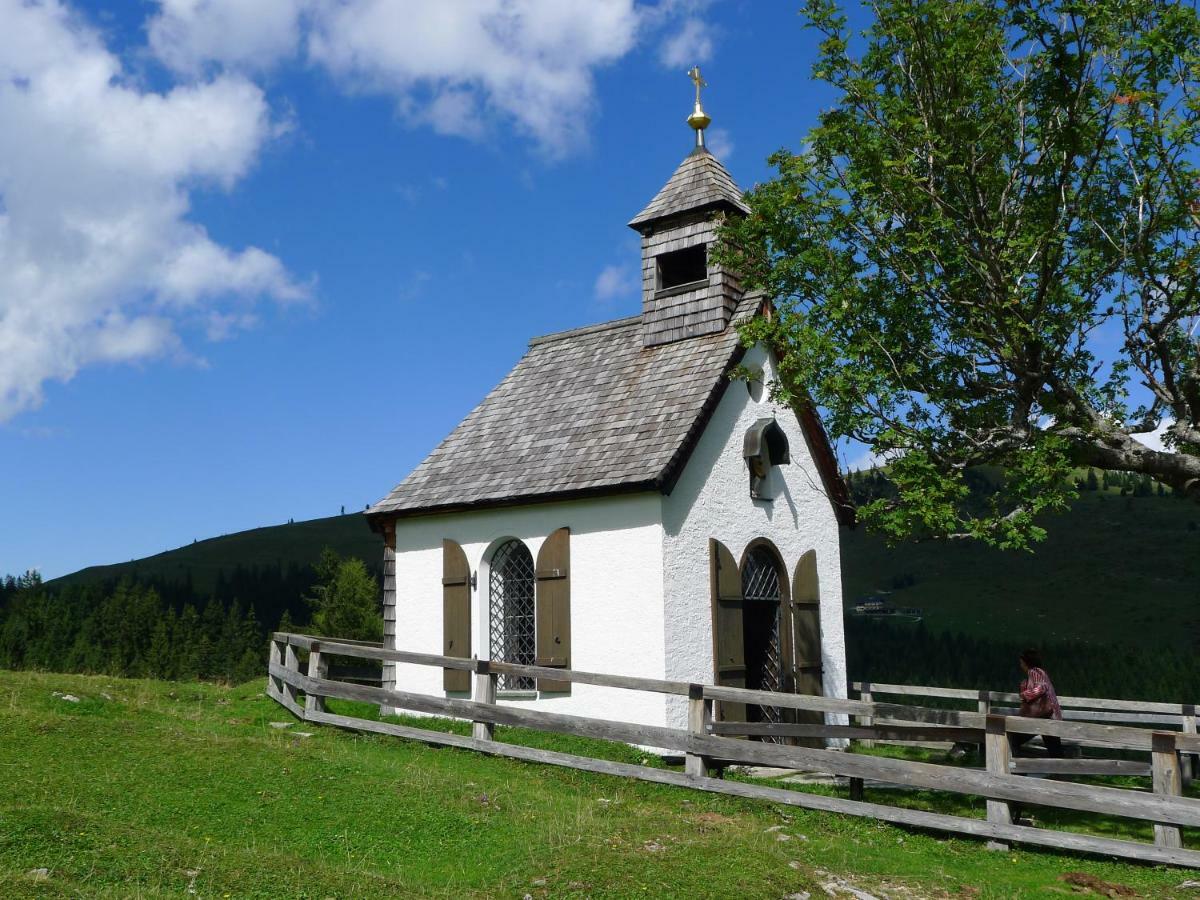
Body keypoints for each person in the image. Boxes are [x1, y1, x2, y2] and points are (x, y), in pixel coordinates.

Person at [1010, 649, 1063, 758]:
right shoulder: (1040, 672)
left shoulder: (1034, 672)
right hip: (1049, 716)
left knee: (1013, 739)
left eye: (1021, 662)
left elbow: (1041, 688)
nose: (1020, 665)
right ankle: (1061, 773)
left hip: (1043, 717)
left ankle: (1017, 769)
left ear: (1026, 662)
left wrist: (1024, 695)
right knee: (1055, 751)